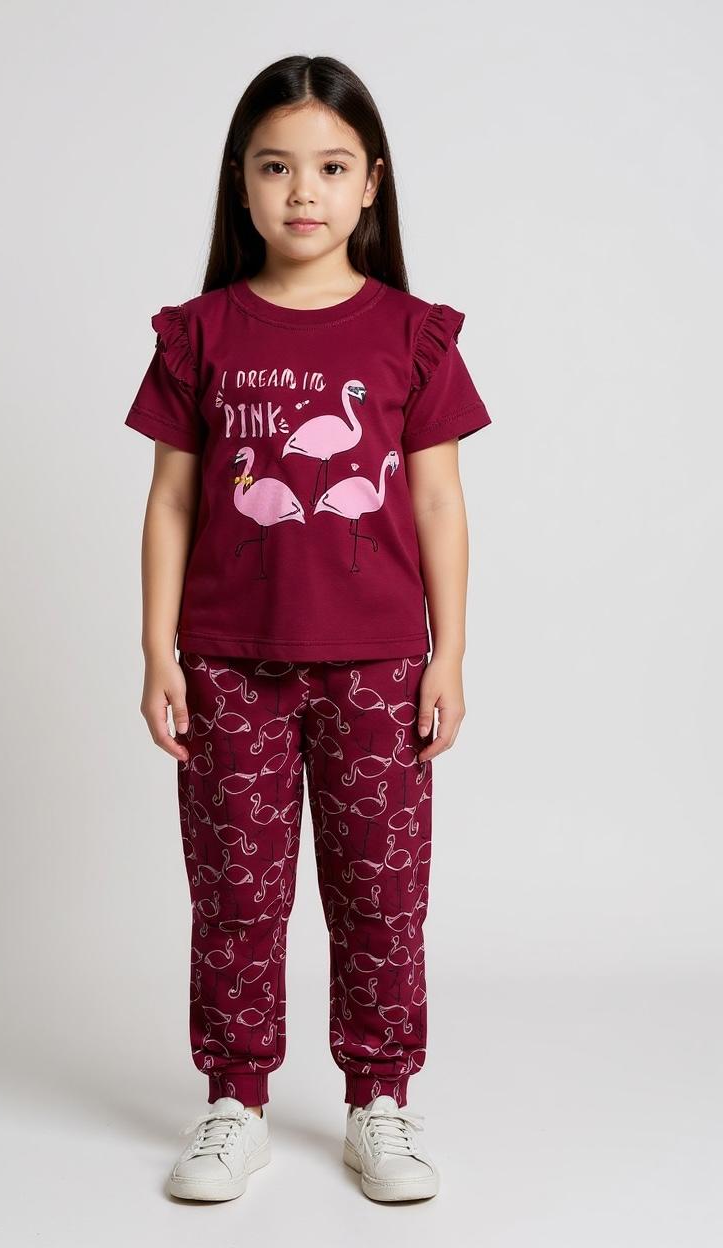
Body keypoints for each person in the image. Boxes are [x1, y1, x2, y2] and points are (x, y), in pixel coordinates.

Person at [123, 54, 492, 1204]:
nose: (302, 192)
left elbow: (438, 501)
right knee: (235, 892)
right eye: (276, 167)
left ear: (370, 183)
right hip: (227, 661)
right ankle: (234, 1101)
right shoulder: (199, 334)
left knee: (381, 894)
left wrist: (449, 653)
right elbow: (172, 501)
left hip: (378, 664)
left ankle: (379, 1100)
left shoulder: (411, 334)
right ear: (239, 182)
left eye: (330, 168)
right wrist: (156, 651)